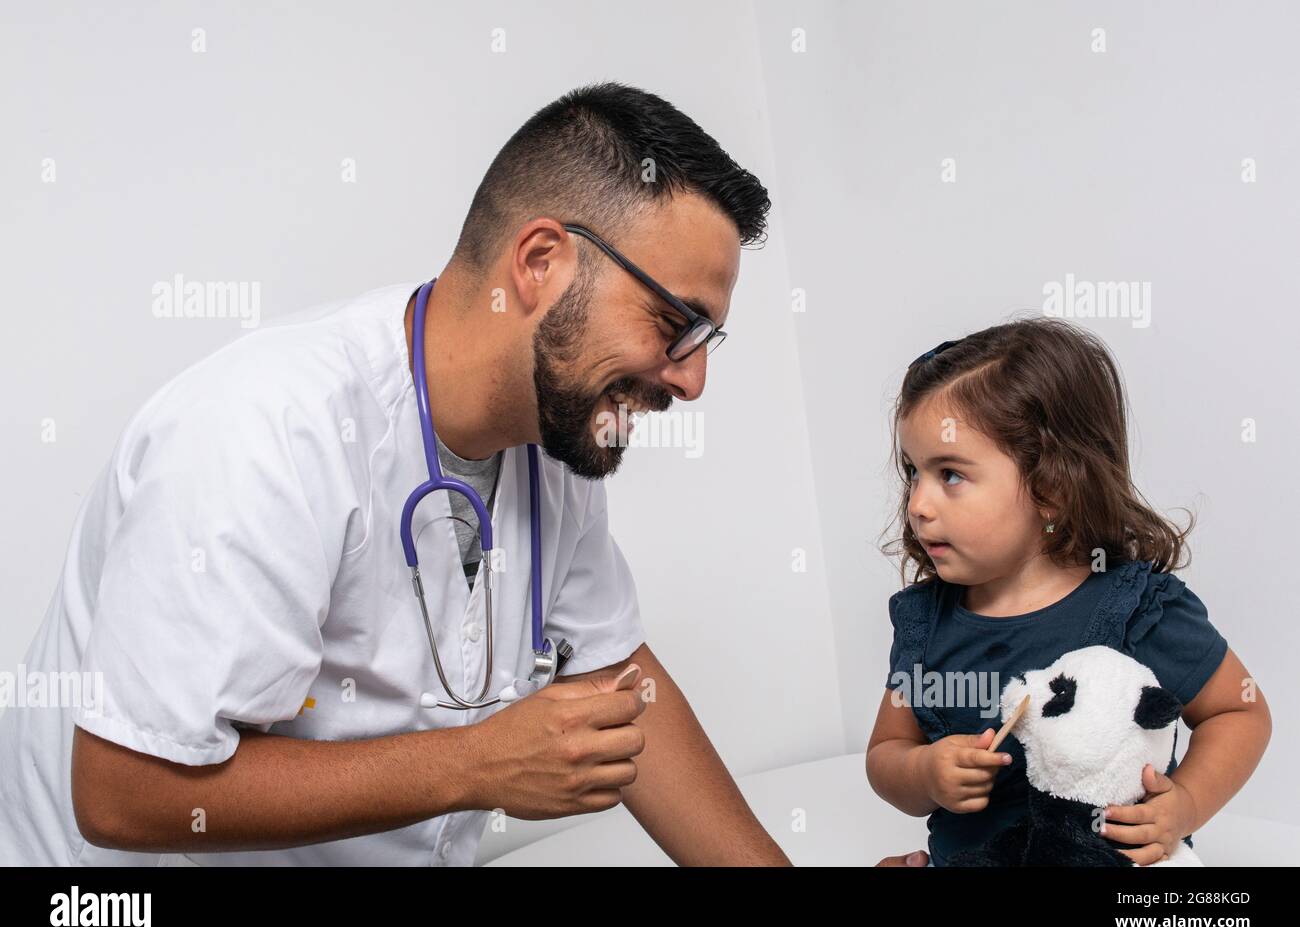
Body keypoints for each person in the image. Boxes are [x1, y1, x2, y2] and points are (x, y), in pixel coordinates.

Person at [0, 82, 806, 866]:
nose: (692, 381)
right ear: (540, 261)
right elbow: (122, 792)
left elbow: (617, 679)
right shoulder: (265, 430)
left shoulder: (553, 435)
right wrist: (477, 764)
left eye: (706, 343)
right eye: (675, 325)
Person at [865, 319, 1271, 867]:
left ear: (1051, 489)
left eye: (951, 475)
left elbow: (1239, 713)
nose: (918, 504)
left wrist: (1188, 804)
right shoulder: (925, 622)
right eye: (913, 472)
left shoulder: (1135, 609)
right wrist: (925, 773)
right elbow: (886, 752)